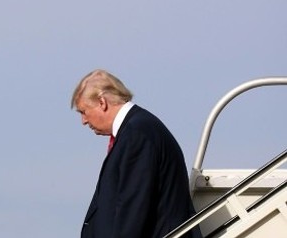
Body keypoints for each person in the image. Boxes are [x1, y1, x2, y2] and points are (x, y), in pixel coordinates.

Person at [71, 69, 202, 238]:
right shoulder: (137, 129)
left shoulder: (137, 134)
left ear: (102, 102)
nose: (84, 121)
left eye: (83, 111)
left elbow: (133, 208)